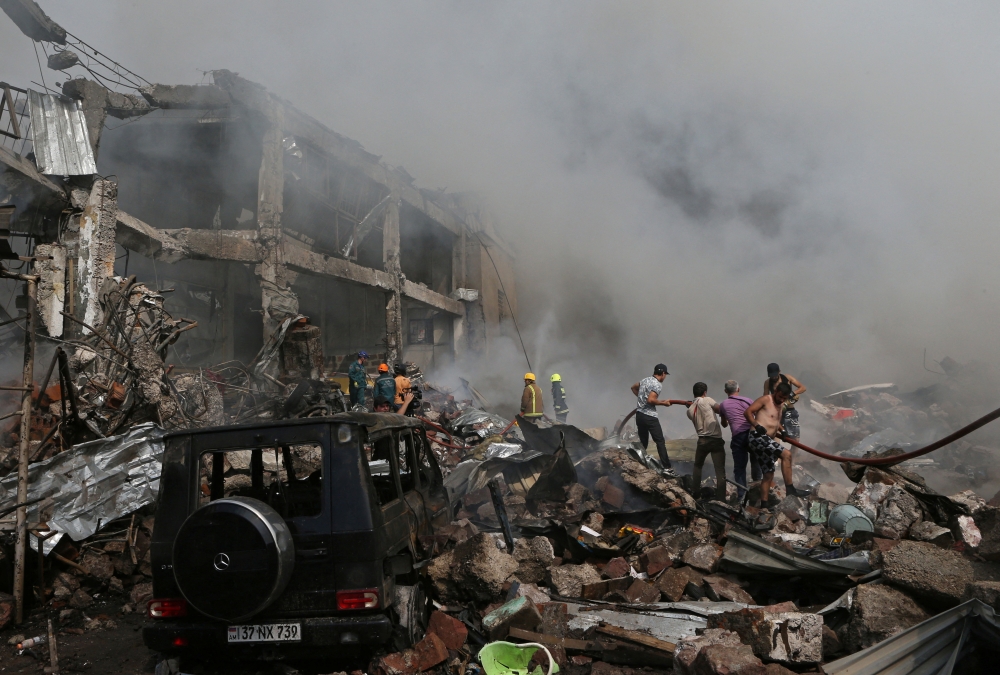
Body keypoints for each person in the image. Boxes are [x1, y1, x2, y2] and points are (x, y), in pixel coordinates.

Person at [744, 381, 810, 506]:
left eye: (784, 398)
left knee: (768, 474)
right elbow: (747, 412)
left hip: (766, 441)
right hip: (758, 437)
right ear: (775, 392)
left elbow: (774, 420)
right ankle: (790, 489)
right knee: (786, 454)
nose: (781, 400)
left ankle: (764, 504)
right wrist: (756, 425)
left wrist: (783, 431)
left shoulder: (780, 404)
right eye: (779, 396)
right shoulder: (765, 399)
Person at [629, 364, 677, 476]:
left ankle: (638, 463)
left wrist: (641, 399)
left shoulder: (645, 380)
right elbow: (651, 400)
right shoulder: (657, 384)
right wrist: (663, 403)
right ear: (663, 373)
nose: (665, 377)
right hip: (649, 417)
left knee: (644, 442)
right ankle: (667, 468)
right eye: (665, 375)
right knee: (660, 441)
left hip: (639, 415)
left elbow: (633, 387)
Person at [718, 380, 760, 500]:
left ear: (725, 391)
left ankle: (742, 497)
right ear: (738, 389)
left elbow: (724, 424)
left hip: (738, 437)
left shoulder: (723, 405)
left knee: (740, 468)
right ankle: (758, 492)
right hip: (752, 434)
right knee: (756, 462)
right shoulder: (748, 400)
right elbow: (756, 415)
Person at [686, 382, 726, 501]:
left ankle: (696, 493)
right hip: (716, 441)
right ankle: (721, 499)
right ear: (705, 392)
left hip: (702, 441)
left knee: (698, 466)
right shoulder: (707, 400)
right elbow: (720, 409)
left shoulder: (689, 410)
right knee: (719, 470)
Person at [763, 363, 806, 444]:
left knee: (795, 439)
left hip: (789, 410)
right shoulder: (768, 383)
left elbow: (803, 388)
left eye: (775, 375)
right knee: (776, 436)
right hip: (776, 410)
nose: (773, 378)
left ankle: (793, 456)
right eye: (771, 376)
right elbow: (765, 397)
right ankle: (779, 455)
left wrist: (792, 394)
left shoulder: (787, 378)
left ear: (779, 371)